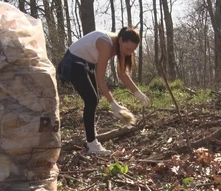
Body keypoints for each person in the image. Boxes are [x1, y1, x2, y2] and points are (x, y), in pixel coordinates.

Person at [57, 27, 151, 155]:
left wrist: (138, 93)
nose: (129, 53)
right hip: (73, 62)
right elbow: (100, 79)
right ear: (121, 40)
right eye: (128, 49)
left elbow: (122, 74)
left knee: (93, 100)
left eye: (132, 51)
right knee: (91, 99)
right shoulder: (106, 44)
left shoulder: (120, 46)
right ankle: (92, 145)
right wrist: (113, 104)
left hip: (86, 63)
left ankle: (91, 135)